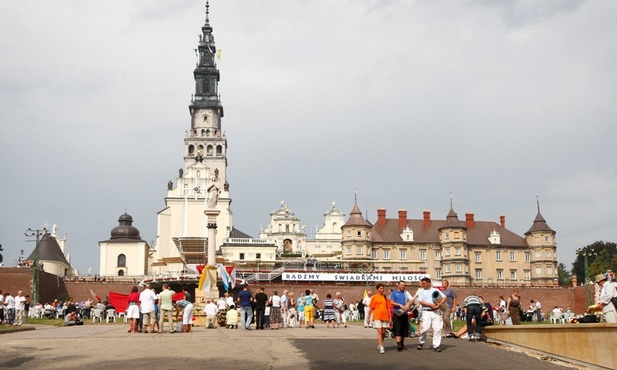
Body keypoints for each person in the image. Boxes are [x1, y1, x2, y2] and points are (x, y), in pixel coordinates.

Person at [417, 277, 446, 352]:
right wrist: (430, 305)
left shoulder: (435, 290)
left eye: (424, 283)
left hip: (435, 312)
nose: (422, 285)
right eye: (422, 283)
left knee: (437, 329)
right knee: (425, 329)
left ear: (428, 283)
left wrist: (440, 304)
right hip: (426, 311)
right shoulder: (422, 291)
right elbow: (421, 301)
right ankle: (421, 342)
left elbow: (444, 297)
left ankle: (436, 345)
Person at [368, 283, 392, 354]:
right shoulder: (374, 297)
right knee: (379, 331)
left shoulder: (385, 297)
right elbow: (371, 308)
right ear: (378, 289)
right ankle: (381, 346)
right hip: (377, 316)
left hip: (385, 316)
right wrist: (368, 317)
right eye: (381, 288)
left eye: (383, 288)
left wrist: (390, 316)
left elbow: (388, 307)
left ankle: (380, 344)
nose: (382, 289)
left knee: (383, 332)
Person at [390, 281, 413, 351]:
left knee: (404, 329)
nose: (403, 286)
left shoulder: (406, 293)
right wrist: (399, 305)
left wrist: (408, 305)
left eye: (404, 285)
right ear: (398, 285)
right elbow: (392, 302)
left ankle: (402, 343)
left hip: (404, 313)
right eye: (402, 285)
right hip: (397, 313)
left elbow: (412, 300)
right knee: (397, 328)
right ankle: (398, 344)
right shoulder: (394, 293)